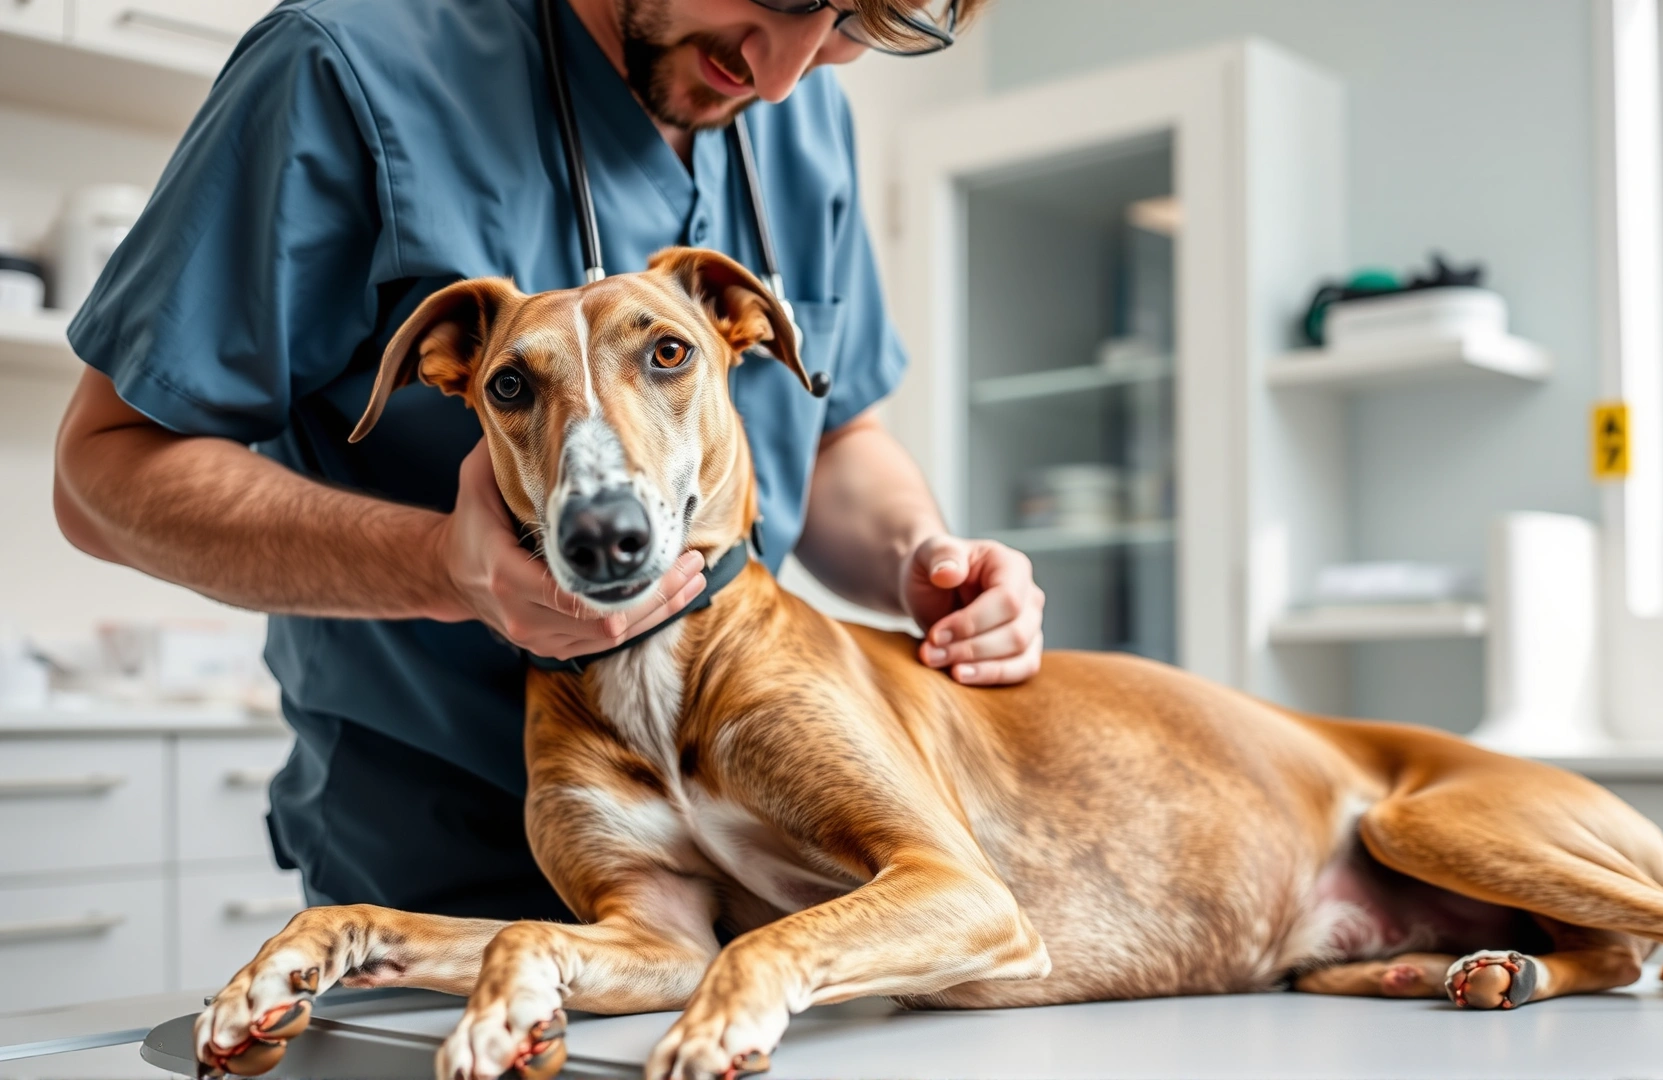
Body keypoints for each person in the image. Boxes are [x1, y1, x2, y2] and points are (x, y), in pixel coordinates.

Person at [51, 0, 1042, 922]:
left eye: (865, 25)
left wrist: (924, 558)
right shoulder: (344, 68)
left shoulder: (803, 120)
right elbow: (106, 472)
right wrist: (441, 567)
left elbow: (830, 440)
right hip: (448, 878)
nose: (781, 76)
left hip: (757, 875)